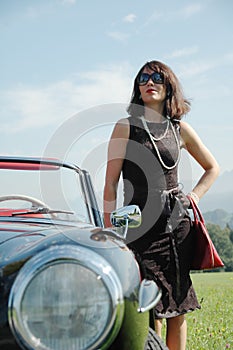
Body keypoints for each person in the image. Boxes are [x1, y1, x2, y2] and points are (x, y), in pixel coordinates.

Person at [103, 60, 219, 350]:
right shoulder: (125, 127)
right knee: (147, 304)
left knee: (177, 306)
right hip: (138, 226)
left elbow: (212, 167)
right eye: (143, 78)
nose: (149, 82)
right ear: (137, 88)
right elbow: (110, 183)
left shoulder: (180, 129)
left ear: (169, 87)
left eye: (156, 77)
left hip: (176, 226)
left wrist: (194, 196)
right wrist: (108, 228)